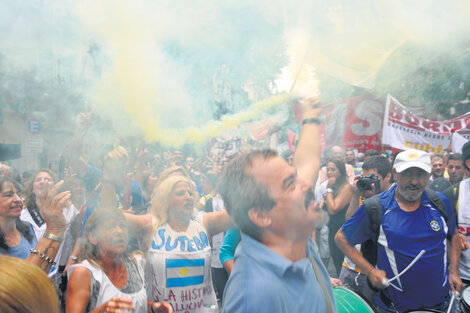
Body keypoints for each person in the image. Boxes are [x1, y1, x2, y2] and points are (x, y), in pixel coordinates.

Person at [219, 100, 337, 313]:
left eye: (294, 176)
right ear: (261, 215)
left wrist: (310, 116)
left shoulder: (287, 232)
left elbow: (306, 162)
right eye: (290, 184)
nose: (308, 184)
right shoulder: (254, 298)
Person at [335, 149, 461, 312]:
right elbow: (341, 239)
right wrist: (371, 271)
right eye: (408, 174)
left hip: (441, 304)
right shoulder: (376, 207)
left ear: (429, 175)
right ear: (395, 173)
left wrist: (454, 272)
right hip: (394, 307)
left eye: (421, 174)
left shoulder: (439, 201)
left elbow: (454, 237)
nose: (414, 181)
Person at [122, 174, 232, 313]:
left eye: (190, 193)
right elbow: (108, 218)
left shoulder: (202, 223)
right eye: (180, 193)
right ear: (166, 200)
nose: (188, 197)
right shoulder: (152, 225)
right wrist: (111, 181)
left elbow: (239, 214)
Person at [66, 208, 172, 313]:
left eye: (122, 226)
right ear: (93, 237)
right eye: (110, 226)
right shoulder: (84, 273)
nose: (119, 231)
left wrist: (153, 307)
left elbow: (134, 303)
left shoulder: (136, 263)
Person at [339, 156, 393, 304]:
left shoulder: (392, 200)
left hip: (372, 272)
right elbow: (349, 223)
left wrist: (373, 200)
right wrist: (356, 196)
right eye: (365, 177)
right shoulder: (364, 193)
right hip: (349, 266)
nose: (370, 182)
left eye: (373, 177)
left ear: (388, 176)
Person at [0, 176, 70, 273]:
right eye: (8, 195)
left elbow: (41, 265)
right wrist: (53, 229)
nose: (18, 199)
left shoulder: (27, 228)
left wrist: (59, 229)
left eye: (18, 194)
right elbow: (24, 279)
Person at [20, 169, 78, 276]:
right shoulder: (22, 211)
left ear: (55, 187)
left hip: (59, 271)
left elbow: (81, 232)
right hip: (31, 268)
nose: (43, 182)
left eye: (48, 179)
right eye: (38, 180)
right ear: (32, 188)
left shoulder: (68, 209)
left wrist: (73, 257)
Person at [320, 158, 353, 275]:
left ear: (340, 172)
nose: (329, 172)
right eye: (328, 169)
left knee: (340, 264)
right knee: (336, 261)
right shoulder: (334, 186)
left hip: (341, 231)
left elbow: (333, 209)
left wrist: (328, 189)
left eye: (333, 170)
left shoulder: (346, 187)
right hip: (332, 230)